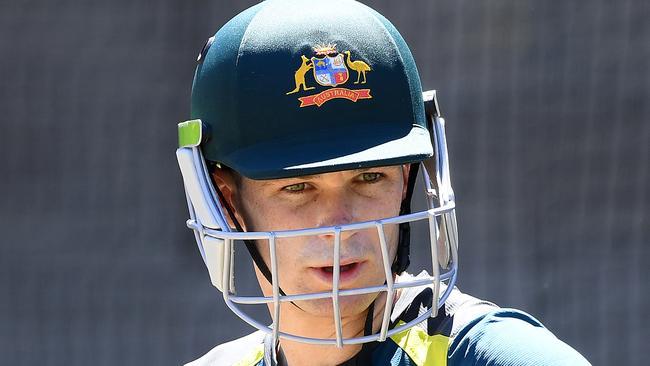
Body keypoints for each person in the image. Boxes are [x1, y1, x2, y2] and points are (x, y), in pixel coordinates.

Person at [176, 0, 591, 364]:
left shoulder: (499, 355)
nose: (339, 225)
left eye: (370, 177)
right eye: (298, 187)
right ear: (226, 200)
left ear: (407, 177)